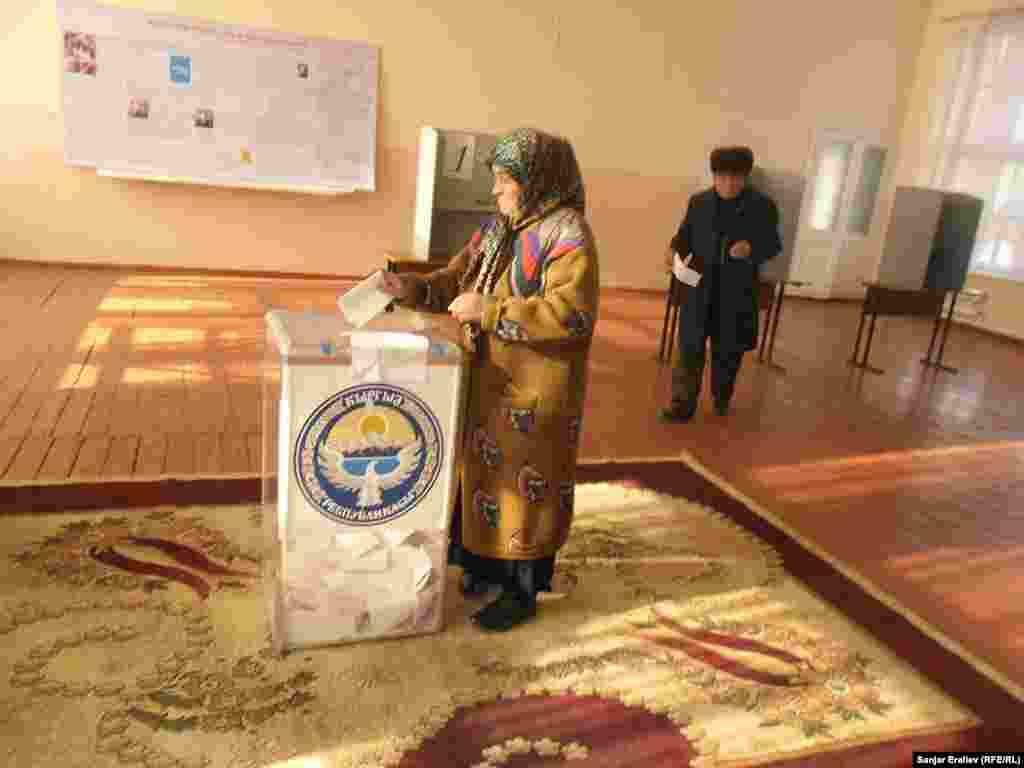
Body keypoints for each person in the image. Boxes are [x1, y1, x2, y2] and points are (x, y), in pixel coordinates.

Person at [378, 128, 599, 632]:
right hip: (488, 380)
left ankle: (521, 591)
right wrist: (407, 287)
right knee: (483, 474)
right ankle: (483, 565)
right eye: (496, 178)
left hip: (536, 391)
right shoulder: (498, 228)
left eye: (506, 179)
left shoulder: (568, 234)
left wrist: (492, 310)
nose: (496, 189)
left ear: (538, 178)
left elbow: (572, 314)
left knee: (526, 485)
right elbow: (454, 281)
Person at [659, 146, 781, 423]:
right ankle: (682, 404)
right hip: (699, 287)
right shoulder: (699, 202)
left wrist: (751, 248)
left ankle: (721, 396)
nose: (728, 184)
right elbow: (684, 236)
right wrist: (673, 250)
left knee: (727, 352)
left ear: (745, 177)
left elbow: (773, 244)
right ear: (713, 176)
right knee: (689, 347)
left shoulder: (762, 206)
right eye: (721, 177)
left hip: (736, 292)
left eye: (735, 178)